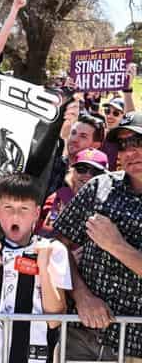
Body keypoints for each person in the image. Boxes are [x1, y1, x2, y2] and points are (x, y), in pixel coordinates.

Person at [53, 111, 142, 361]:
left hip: (134, 345)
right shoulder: (98, 187)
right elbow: (57, 246)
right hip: (81, 334)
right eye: (122, 145)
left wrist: (116, 245)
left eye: (137, 142)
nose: (129, 152)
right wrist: (81, 295)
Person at [0, 173, 72, 362]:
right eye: (8, 207)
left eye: (24, 209)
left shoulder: (53, 250)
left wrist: (43, 266)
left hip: (35, 354)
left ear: (36, 212)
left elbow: (55, 319)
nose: (15, 216)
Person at [38, 147, 108, 238]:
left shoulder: (109, 204)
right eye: (82, 169)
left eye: (96, 172)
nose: (87, 175)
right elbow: (46, 233)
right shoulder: (61, 197)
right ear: (72, 171)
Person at [46, 114, 105, 196]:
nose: (74, 139)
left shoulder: (97, 179)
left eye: (83, 136)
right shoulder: (51, 163)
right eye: (73, 133)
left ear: (96, 145)